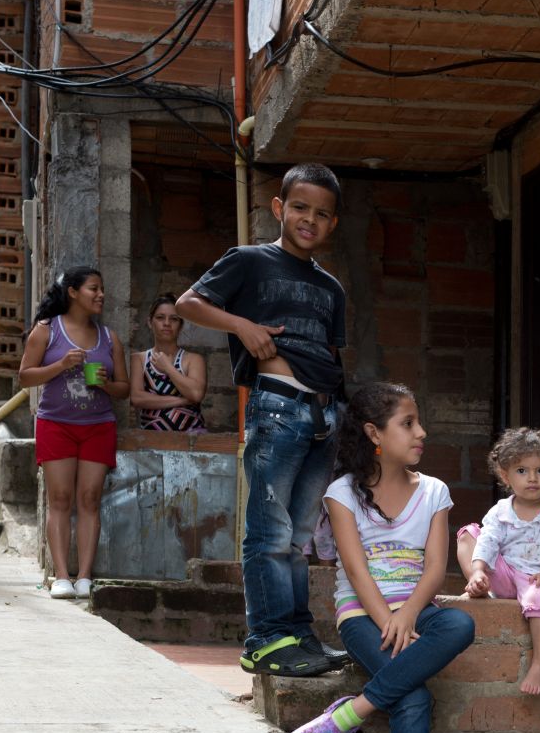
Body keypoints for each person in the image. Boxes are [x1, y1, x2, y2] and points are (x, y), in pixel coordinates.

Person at [282, 382, 478, 733]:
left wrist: (409, 614)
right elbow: (353, 567)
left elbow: (436, 569)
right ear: (374, 432)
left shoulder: (434, 491)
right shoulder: (342, 492)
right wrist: (386, 617)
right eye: (407, 423)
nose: (421, 432)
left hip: (417, 610)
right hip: (363, 615)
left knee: (457, 623)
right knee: (414, 697)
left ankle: (348, 716)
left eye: (418, 422)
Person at [177, 163, 349, 678]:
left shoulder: (332, 288)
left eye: (321, 214)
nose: (308, 220)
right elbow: (190, 303)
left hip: (324, 415)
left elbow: (334, 355)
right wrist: (242, 327)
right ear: (279, 208)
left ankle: (297, 635)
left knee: (299, 538)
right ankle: (265, 639)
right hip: (276, 407)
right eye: (300, 208)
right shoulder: (250, 261)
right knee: (270, 533)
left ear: (332, 224)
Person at [18, 266, 129, 601]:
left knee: (90, 499)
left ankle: (84, 577)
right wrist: (61, 365)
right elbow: (25, 377)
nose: (101, 295)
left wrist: (106, 384)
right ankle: (61, 575)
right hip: (55, 425)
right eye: (93, 288)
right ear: (73, 292)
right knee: (61, 499)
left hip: (98, 426)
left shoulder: (110, 338)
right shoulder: (46, 331)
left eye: (102, 289)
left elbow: (124, 389)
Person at [455, 428, 540, 695]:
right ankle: (477, 584)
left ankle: (538, 664)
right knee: (469, 534)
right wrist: (479, 569)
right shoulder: (501, 510)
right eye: (522, 471)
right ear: (506, 475)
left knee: (538, 599)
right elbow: (489, 541)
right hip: (507, 574)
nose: (533, 478)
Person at [130, 294, 206, 432]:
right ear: (149, 322)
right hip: (150, 441)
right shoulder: (139, 359)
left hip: (192, 441)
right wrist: (183, 400)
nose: (166, 323)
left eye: (174, 319)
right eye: (160, 317)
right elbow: (137, 399)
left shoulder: (193, 359)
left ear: (181, 325)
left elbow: (195, 394)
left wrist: (168, 368)